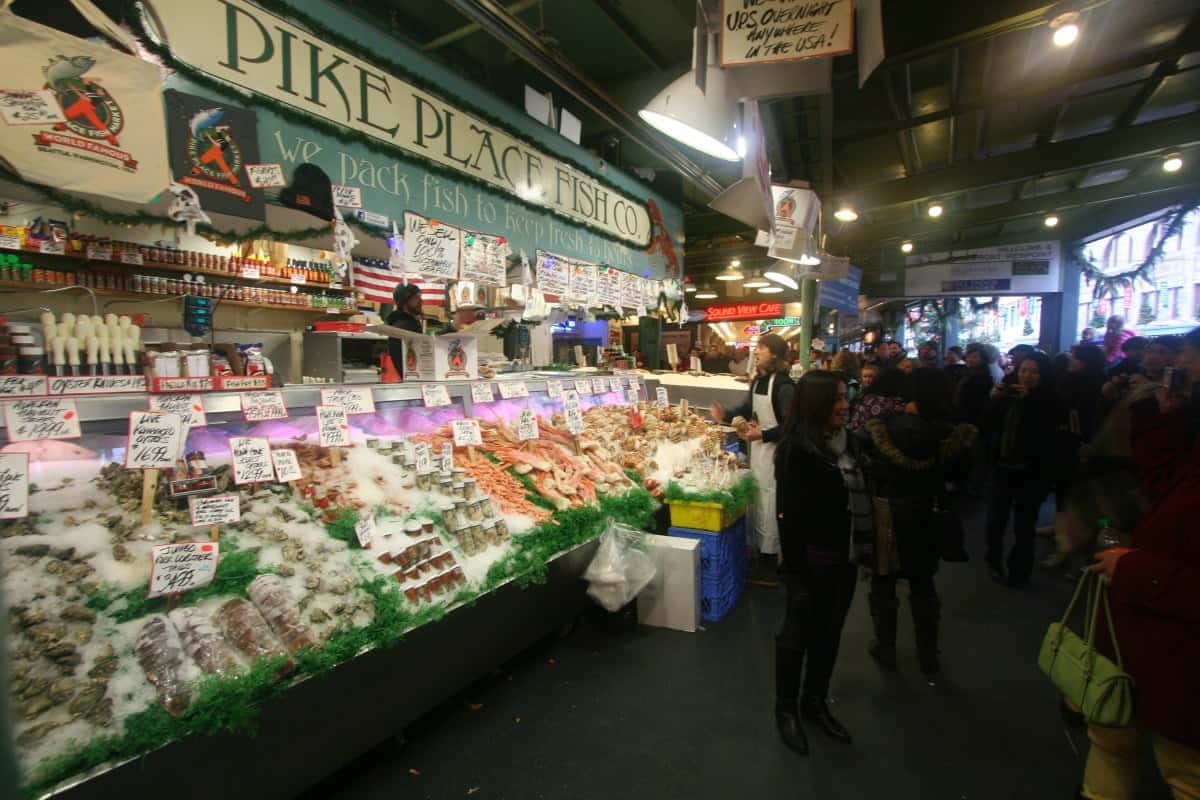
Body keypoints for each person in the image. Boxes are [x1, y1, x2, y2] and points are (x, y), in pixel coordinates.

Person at [1080, 326, 1200, 799]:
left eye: (1187, 368)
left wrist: (1135, 570)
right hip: (1144, 652)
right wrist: (1163, 420)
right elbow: (1161, 486)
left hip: (1182, 669)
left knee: (1184, 775)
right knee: (1112, 745)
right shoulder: (1187, 442)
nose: (1177, 378)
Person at [772, 370, 870, 755]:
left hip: (846, 557)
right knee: (796, 637)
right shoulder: (795, 451)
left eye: (847, 398)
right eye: (837, 400)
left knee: (830, 635)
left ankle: (815, 703)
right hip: (810, 563)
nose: (845, 406)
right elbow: (789, 518)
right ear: (816, 404)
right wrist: (797, 573)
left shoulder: (852, 444)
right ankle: (785, 710)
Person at [857, 368, 976, 676]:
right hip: (927, 511)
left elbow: (861, 456)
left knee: (884, 580)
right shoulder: (951, 432)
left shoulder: (885, 427)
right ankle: (928, 655)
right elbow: (962, 477)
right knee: (923, 583)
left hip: (888, 511)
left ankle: (886, 648)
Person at [712, 334, 795, 568]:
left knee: (773, 504)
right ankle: (761, 552)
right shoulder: (759, 381)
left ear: (775, 354)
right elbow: (749, 409)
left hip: (778, 456)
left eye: (761, 348)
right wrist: (726, 415)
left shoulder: (784, 386)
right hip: (759, 452)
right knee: (759, 499)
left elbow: (792, 426)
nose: (756, 351)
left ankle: (776, 560)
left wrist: (764, 435)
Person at [983, 351, 1061, 587]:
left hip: (1032, 472)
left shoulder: (1051, 400)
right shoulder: (1009, 395)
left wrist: (1030, 401)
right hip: (1002, 467)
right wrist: (996, 398)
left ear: (1043, 374)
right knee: (996, 521)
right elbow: (987, 424)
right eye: (1023, 370)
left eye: (1033, 371)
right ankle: (994, 561)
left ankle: (1019, 571)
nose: (1027, 375)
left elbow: (1048, 433)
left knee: (1024, 525)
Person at [386, 282, 425, 376]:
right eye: (416, 297)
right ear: (404, 301)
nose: (421, 301)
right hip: (413, 380)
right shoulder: (403, 328)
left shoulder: (410, 323)